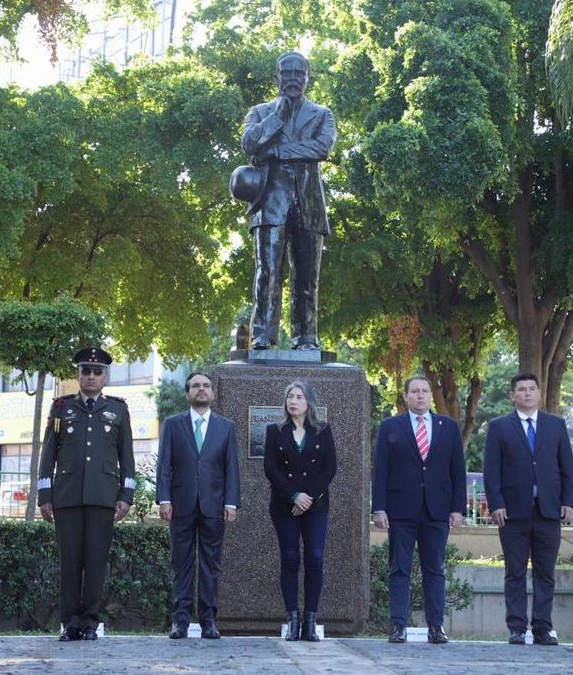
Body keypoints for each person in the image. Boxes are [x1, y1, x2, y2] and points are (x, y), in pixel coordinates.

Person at [239, 51, 336, 351]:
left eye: (299, 73)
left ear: (307, 78)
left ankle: (306, 337)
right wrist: (278, 117)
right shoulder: (260, 112)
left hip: (309, 204)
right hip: (270, 203)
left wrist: (276, 152)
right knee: (266, 272)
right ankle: (263, 334)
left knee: (307, 276)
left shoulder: (322, 114)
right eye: (287, 73)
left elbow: (321, 149)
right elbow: (249, 143)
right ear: (277, 77)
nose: (293, 79)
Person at [37, 346, 135, 641]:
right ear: (78, 375)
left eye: (97, 372)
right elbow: (48, 455)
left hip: (103, 498)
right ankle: (70, 623)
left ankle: (91, 622)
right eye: (86, 371)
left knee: (95, 563)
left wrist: (126, 495)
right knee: (69, 563)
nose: (91, 376)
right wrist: (45, 496)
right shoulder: (61, 407)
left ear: (105, 377)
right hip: (66, 497)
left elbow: (126, 456)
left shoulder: (118, 409)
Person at [371, 376, 467, 644]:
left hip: (437, 510)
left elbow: (457, 471)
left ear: (430, 396)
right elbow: (381, 470)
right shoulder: (391, 426)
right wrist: (379, 508)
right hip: (401, 510)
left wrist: (458, 508)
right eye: (415, 391)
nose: (421, 395)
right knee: (399, 569)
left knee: (434, 569)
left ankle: (436, 627)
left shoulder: (448, 427)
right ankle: (398, 626)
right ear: (406, 396)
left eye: (425, 391)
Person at [483, 372, 573, 646]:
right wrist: (496, 504)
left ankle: (543, 628)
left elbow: (567, 469)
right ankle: (516, 628)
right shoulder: (500, 427)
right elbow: (492, 471)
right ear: (513, 395)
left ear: (539, 393)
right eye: (521, 389)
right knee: (514, 572)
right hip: (512, 514)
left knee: (545, 573)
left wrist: (568, 502)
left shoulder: (555, 425)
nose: (526, 393)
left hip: (549, 512)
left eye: (531, 389)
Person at [156, 371, 241, 639]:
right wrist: (165, 498)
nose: (201, 390)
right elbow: (164, 465)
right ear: (188, 393)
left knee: (210, 565)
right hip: (179, 505)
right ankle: (180, 621)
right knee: (181, 564)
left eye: (206, 386)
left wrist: (231, 503)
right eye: (195, 386)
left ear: (213, 393)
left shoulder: (226, 427)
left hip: (214, 506)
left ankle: (208, 620)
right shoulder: (172, 425)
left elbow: (232, 469)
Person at [263, 380, 338, 641]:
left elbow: (330, 468)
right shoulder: (275, 430)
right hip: (285, 506)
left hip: (316, 506)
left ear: (309, 403)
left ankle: (310, 621)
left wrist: (308, 497)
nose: (293, 401)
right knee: (291, 559)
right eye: (289, 397)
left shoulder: (323, 430)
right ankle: (292, 619)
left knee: (315, 558)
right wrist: (295, 496)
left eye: (299, 397)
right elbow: (270, 469)